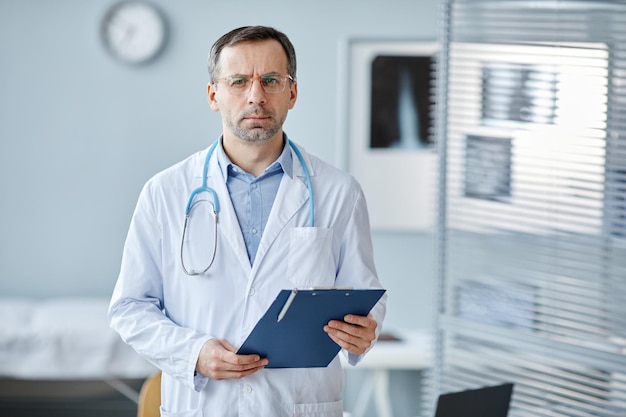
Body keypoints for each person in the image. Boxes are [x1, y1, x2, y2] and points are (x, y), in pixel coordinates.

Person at [108, 25, 386, 417]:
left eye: (271, 80)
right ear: (213, 94)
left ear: (292, 92)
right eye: (238, 81)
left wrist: (364, 331)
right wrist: (194, 353)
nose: (256, 95)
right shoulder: (165, 192)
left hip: (296, 405)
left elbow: (364, 297)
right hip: (205, 405)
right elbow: (130, 308)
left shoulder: (339, 191)